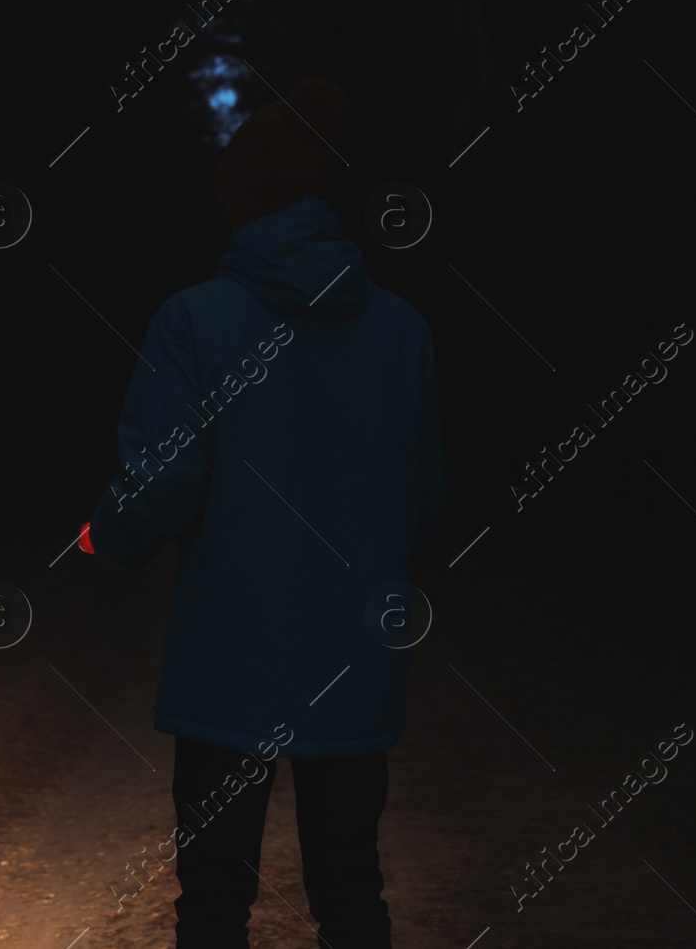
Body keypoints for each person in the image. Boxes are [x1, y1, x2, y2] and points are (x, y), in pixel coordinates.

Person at [81, 77, 445, 949]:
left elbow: (162, 480)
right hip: (354, 651)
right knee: (353, 892)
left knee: (212, 900)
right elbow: (422, 496)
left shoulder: (195, 320)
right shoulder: (400, 330)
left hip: (229, 652)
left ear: (244, 199)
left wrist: (109, 536)